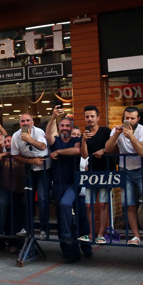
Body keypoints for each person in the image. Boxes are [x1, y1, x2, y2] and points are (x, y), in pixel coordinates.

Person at [105, 106, 143, 247]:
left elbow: (142, 152)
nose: (129, 120)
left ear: (138, 119)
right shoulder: (117, 130)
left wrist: (132, 137)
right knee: (129, 204)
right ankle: (135, 235)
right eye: (126, 118)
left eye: (132, 118)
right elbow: (108, 149)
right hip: (125, 170)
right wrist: (116, 135)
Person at [46, 106, 91, 262]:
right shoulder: (55, 140)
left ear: (71, 128)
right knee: (61, 217)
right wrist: (53, 117)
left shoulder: (76, 140)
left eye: (67, 125)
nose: (64, 127)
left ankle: (74, 242)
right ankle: (68, 251)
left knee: (71, 209)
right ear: (59, 128)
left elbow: (77, 151)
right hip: (58, 184)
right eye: (62, 125)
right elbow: (47, 135)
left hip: (73, 184)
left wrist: (58, 153)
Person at [10, 112, 50, 239]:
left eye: (28, 120)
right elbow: (15, 155)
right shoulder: (16, 136)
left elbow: (43, 146)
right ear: (19, 123)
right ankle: (27, 227)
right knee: (27, 199)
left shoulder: (38, 132)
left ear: (32, 123)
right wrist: (30, 161)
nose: (25, 123)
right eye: (23, 121)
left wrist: (30, 140)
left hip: (44, 168)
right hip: (29, 167)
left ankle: (44, 228)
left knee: (43, 198)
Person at [80, 105, 113, 244]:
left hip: (106, 171)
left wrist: (103, 151)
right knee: (88, 204)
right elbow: (84, 154)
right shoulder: (85, 133)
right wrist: (83, 140)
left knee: (103, 203)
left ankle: (100, 234)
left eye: (92, 116)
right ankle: (90, 233)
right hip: (91, 172)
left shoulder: (106, 131)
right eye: (87, 116)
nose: (90, 119)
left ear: (98, 118)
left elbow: (113, 146)